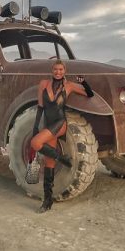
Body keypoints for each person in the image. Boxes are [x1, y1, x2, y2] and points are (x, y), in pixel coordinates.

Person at [30, 59, 94, 213]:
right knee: (49, 163)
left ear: (65, 71)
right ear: (52, 70)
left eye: (61, 69)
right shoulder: (43, 84)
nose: (58, 72)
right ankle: (47, 201)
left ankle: (63, 158)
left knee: (35, 143)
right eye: (55, 69)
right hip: (47, 124)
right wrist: (35, 127)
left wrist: (84, 82)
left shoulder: (69, 86)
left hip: (59, 124)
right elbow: (40, 107)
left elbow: (89, 94)